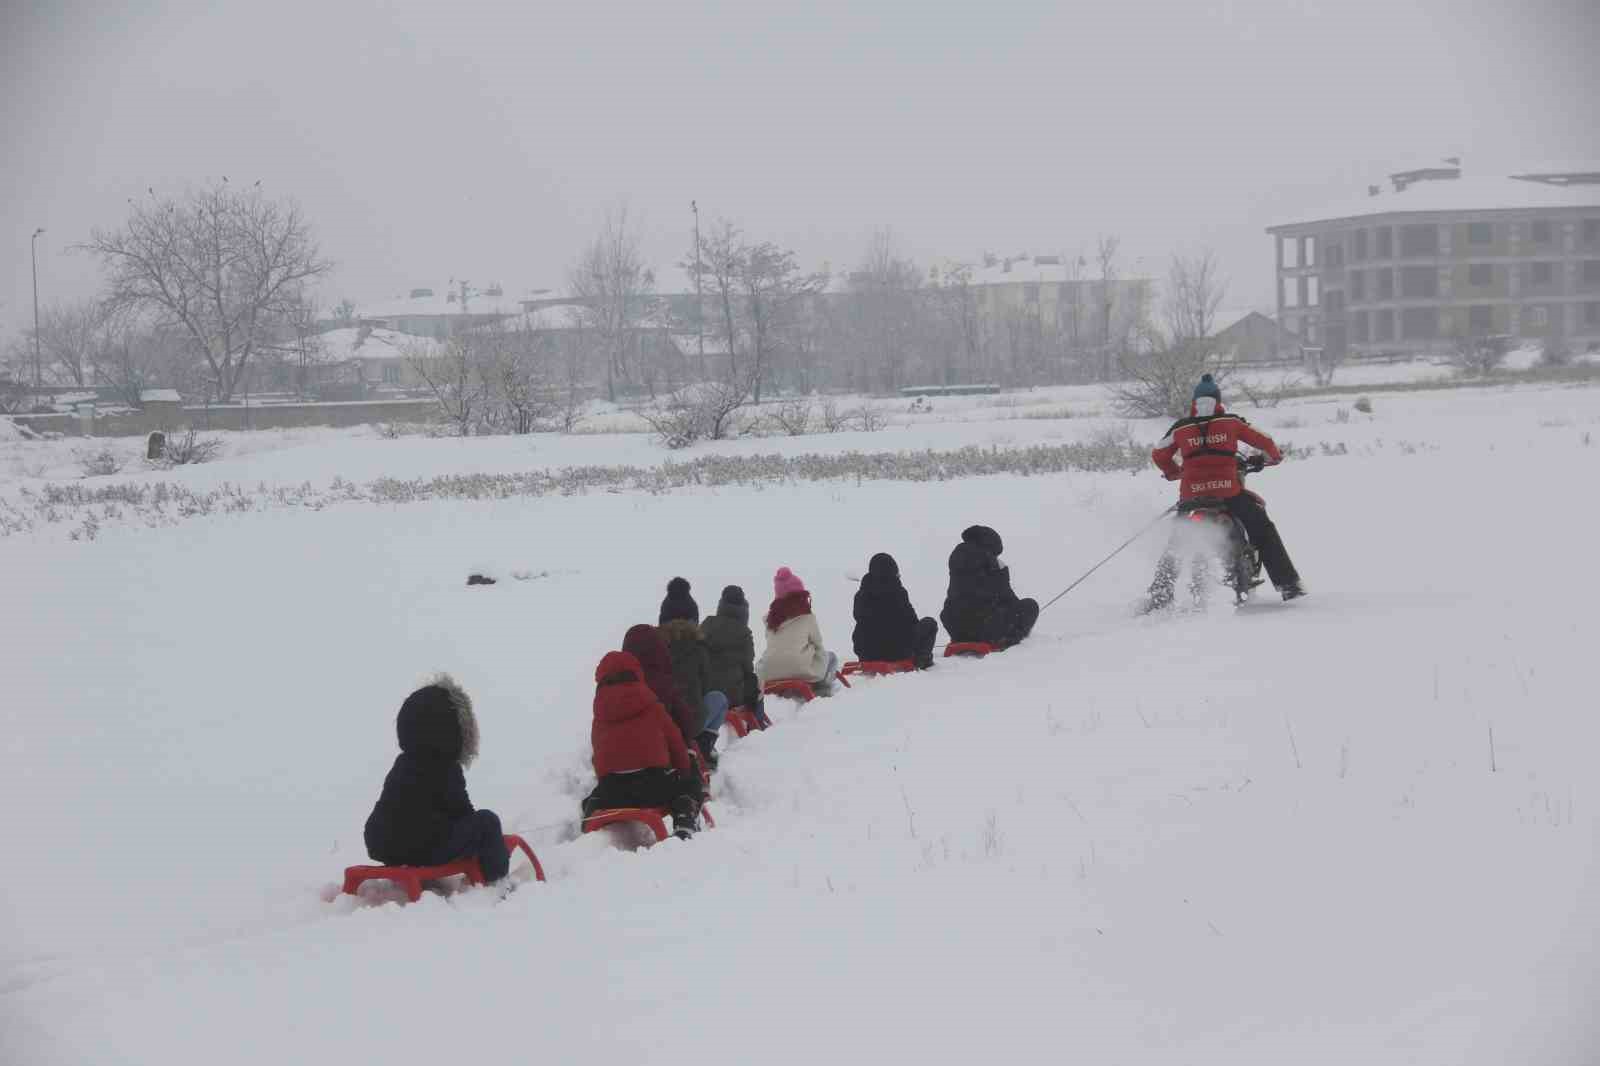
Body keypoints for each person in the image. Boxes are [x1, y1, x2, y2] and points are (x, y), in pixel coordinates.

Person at [1148, 373, 1305, 607]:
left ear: (1195, 402)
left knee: (1177, 540)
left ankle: (1161, 591)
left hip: (1192, 496)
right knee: (1262, 527)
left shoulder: (1181, 427)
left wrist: (1174, 472)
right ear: (1218, 401)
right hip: (1229, 492)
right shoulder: (1232, 422)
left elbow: (1159, 454)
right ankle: (1288, 584)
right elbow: (1265, 441)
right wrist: (1273, 457)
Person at [363, 674, 511, 886]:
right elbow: (462, 811)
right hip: (423, 846)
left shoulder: (403, 763)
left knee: (425, 824)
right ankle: (497, 880)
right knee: (487, 822)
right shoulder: (445, 767)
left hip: (382, 843)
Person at [583, 651, 702, 839]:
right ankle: (685, 817)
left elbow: (598, 756)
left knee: (594, 797)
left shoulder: (600, 714)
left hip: (612, 792)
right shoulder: (651, 704)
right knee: (687, 784)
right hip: (654, 787)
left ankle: (592, 813)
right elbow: (676, 743)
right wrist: (685, 771)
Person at [657, 577, 725, 767]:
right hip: (690, 723)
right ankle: (704, 746)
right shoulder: (698, 648)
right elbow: (706, 687)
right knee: (718, 698)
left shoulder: (654, 647)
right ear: (694, 619)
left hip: (658, 723)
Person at [940, 526, 1040, 648]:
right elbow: (1006, 595)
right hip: (984, 628)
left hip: (954, 626)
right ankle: (1007, 642)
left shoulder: (956, 556)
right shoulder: (991, 561)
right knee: (1030, 605)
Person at [757, 567, 841, 694]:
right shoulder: (807, 618)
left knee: (765, 659)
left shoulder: (770, 619)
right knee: (831, 657)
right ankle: (822, 689)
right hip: (802, 671)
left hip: (770, 673)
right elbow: (818, 644)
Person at [852, 552, 938, 669]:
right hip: (896, 653)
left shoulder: (860, 594)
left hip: (866, 653)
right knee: (930, 623)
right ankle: (922, 660)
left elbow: (858, 617)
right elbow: (912, 621)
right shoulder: (898, 592)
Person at [621, 623, 699, 747]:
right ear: (659, 649)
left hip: (616, 755)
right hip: (656, 754)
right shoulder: (664, 682)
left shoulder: (613, 683)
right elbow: (686, 724)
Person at [702, 584, 767, 729]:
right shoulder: (744, 632)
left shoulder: (707, 624)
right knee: (757, 682)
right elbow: (747, 668)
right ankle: (758, 722)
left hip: (705, 691)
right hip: (732, 695)